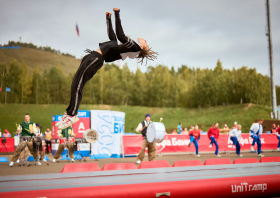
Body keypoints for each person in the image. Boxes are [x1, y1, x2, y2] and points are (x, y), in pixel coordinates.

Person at [55, 8, 158, 130]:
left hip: (96, 58)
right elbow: (113, 38)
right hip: (92, 56)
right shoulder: (125, 47)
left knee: (78, 84)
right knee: (75, 83)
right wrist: (108, 20)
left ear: (142, 46)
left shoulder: (136, 47)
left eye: (146, 42)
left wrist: (117, 14)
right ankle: (69, 113)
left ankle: (72, 114)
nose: (145, 40)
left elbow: (121, 35)